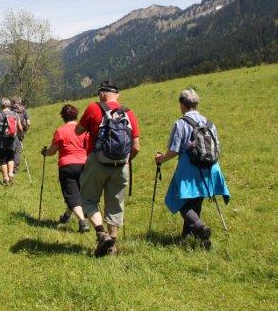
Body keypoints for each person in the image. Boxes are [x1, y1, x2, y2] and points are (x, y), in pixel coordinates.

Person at [154, 89, 230, 250]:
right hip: (210, 168)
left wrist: (161, 159)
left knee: (180, 202)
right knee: (196, 202)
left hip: (190, 169)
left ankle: (200, 228)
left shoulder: (181, 123)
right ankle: (194, 238)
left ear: (182, 104)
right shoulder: (209, 123)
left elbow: (174, 150)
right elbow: (217, 147)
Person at [76, 80, 140, 257]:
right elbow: (136, 146)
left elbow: (78, 131)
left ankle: (101, 234)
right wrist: (125, 161)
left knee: (87, 200)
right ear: (118, 95)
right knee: (115, 205)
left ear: (102, 94)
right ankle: (112, 247)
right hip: (121, 165)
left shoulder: (93, 108)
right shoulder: (128, 113)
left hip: (97, 161)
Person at [41, 104, 90, 233]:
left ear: (63, 116)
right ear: (76, 115)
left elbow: (52, 151)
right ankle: (66, 216)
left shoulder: (60, 131)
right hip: (85, 164)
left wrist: (45, 153)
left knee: (72, 194)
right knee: (78, 193)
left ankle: (82, 221)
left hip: (67, 166)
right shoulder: (84, 130)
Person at [0, 98, 23, 185]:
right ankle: (10, 173)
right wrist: (20, 135)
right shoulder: (15, 115)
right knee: (10, 157)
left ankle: (5, 178)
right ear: (9, 105)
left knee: (2, 160)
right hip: (12, 139)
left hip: (0, 141)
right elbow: (20, 128)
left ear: (1, 105)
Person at [11, 96, 30, 174]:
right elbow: (28, 123)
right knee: (18, 150)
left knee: (11, 149)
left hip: (11, 132)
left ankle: (10, 166)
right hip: (20, 131)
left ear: (13, 102)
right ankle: (15, 167)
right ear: (20, 101)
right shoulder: (23, 110)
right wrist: (25, 131)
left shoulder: (11, 110)